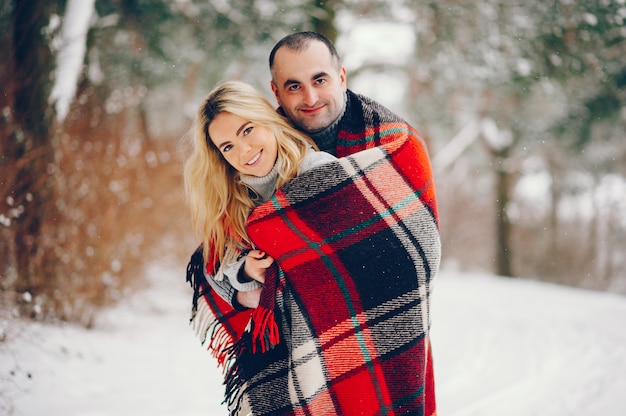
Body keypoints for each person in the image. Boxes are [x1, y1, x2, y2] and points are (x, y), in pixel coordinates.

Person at [186, 32, 441, 416]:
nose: (309, 97)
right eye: (294, 86)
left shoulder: (391, 145)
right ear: (275, 94)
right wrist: (247, 278)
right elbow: (217, 271)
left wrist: (289, 282)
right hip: (298, 355)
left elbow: (414, 253)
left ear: (341, 75)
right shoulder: (240, 191)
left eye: (319, 80)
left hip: (376, 334)